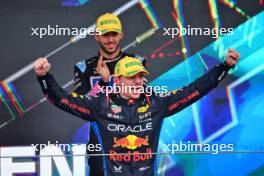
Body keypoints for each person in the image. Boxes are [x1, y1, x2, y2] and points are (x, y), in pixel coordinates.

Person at [34, 48, 240, 175]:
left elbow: (195, 90)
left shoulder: (157, 102)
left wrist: (224, 67)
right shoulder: (100, 104)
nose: (138, 81)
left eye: (141, 76)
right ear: (118, 80)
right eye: (132, 77)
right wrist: (44, 77)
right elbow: (61, 99)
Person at [73, 13, 146, 175]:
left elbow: (143, 101)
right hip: (99, 141)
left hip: (132, 139)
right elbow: (82, 106)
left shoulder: (138, 62)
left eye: (114, 34)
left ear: (121, 35)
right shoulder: (83, 67)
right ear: (96, 36)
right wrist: (103, 82)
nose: (111, 39)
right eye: (106, 35)